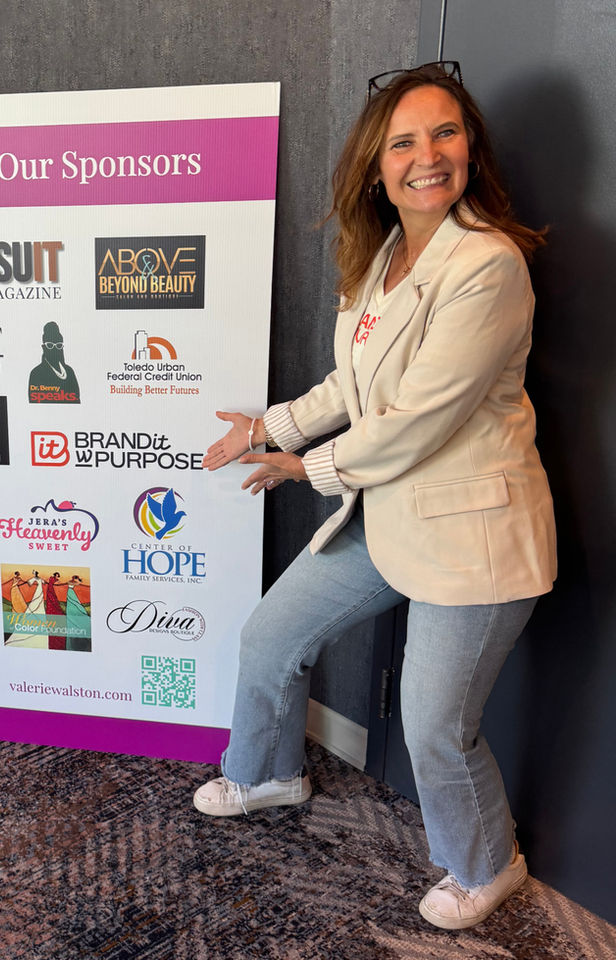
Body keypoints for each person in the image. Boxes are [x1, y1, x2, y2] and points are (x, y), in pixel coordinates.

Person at [196, 62, 555, 931]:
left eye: (445, 133)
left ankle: (489, 865)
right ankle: (269, 773)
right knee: (270, 636)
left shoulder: (488, 264)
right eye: (403, 143)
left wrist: (301, 469)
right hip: (389, 513)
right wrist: (268, 426)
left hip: (472, 535)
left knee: (433, 727)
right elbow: (352, 389)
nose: (426, 156)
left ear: (470, 149)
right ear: (375, 167)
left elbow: (413, 421)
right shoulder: (387, 254)